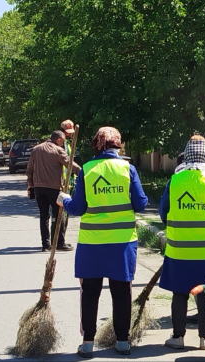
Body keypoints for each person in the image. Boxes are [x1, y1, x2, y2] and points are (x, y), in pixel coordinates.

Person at [57, 127, 148, 358]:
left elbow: (77, 208)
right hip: (122, 244)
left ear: (97, 145)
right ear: (118, 145)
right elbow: (140, 204)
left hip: (93, 244)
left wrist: (64, 200)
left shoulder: (87, 170)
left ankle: (87, 343)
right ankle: (123, 342)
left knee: (90, 293)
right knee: (121, 293)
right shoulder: (128, 169)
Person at [159, 135, 205, 350]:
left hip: (179, 250)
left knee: (179, 292)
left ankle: (177, 337)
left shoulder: (175, 179)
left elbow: (164, 212)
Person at [27, 130, 80, 252]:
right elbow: (70, 165)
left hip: (38, 188)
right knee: (59, 214)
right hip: (54, 188)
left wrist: (30, 185)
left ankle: (45, 245)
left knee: (44, 215)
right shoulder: (58, 150)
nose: (63, 144)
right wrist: (83, 173)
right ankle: (59, 243)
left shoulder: (36, 149)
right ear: (59, 140)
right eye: (63, 142)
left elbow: (29, 169)